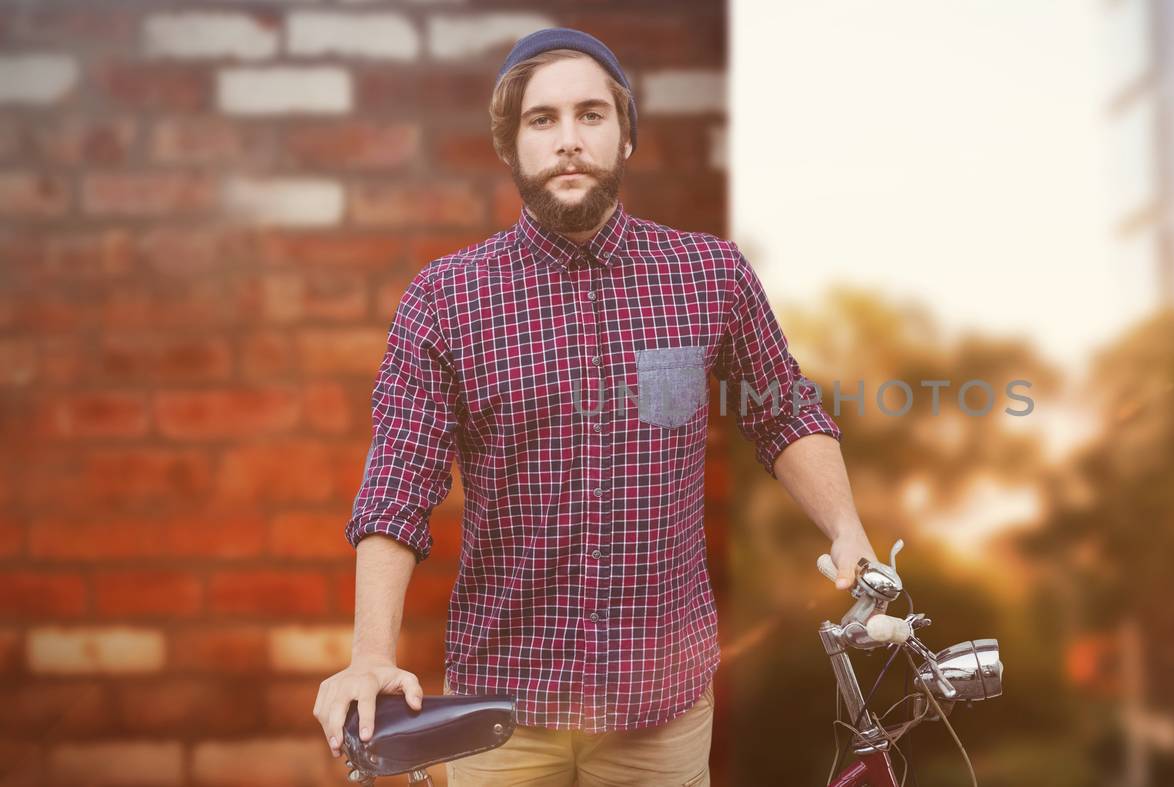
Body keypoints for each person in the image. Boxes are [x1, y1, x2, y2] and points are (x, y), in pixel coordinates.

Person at [310, 27, 881, 786]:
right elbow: (398, 485)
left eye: (591, 115)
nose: (568, 140)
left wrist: (849, 529)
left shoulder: (708, 275)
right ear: (511, 147)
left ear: (626, 134)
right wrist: (371, 654)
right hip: (503, 715)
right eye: (541, 120)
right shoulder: (445, 301)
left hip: (664, 711)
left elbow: (782, 411)